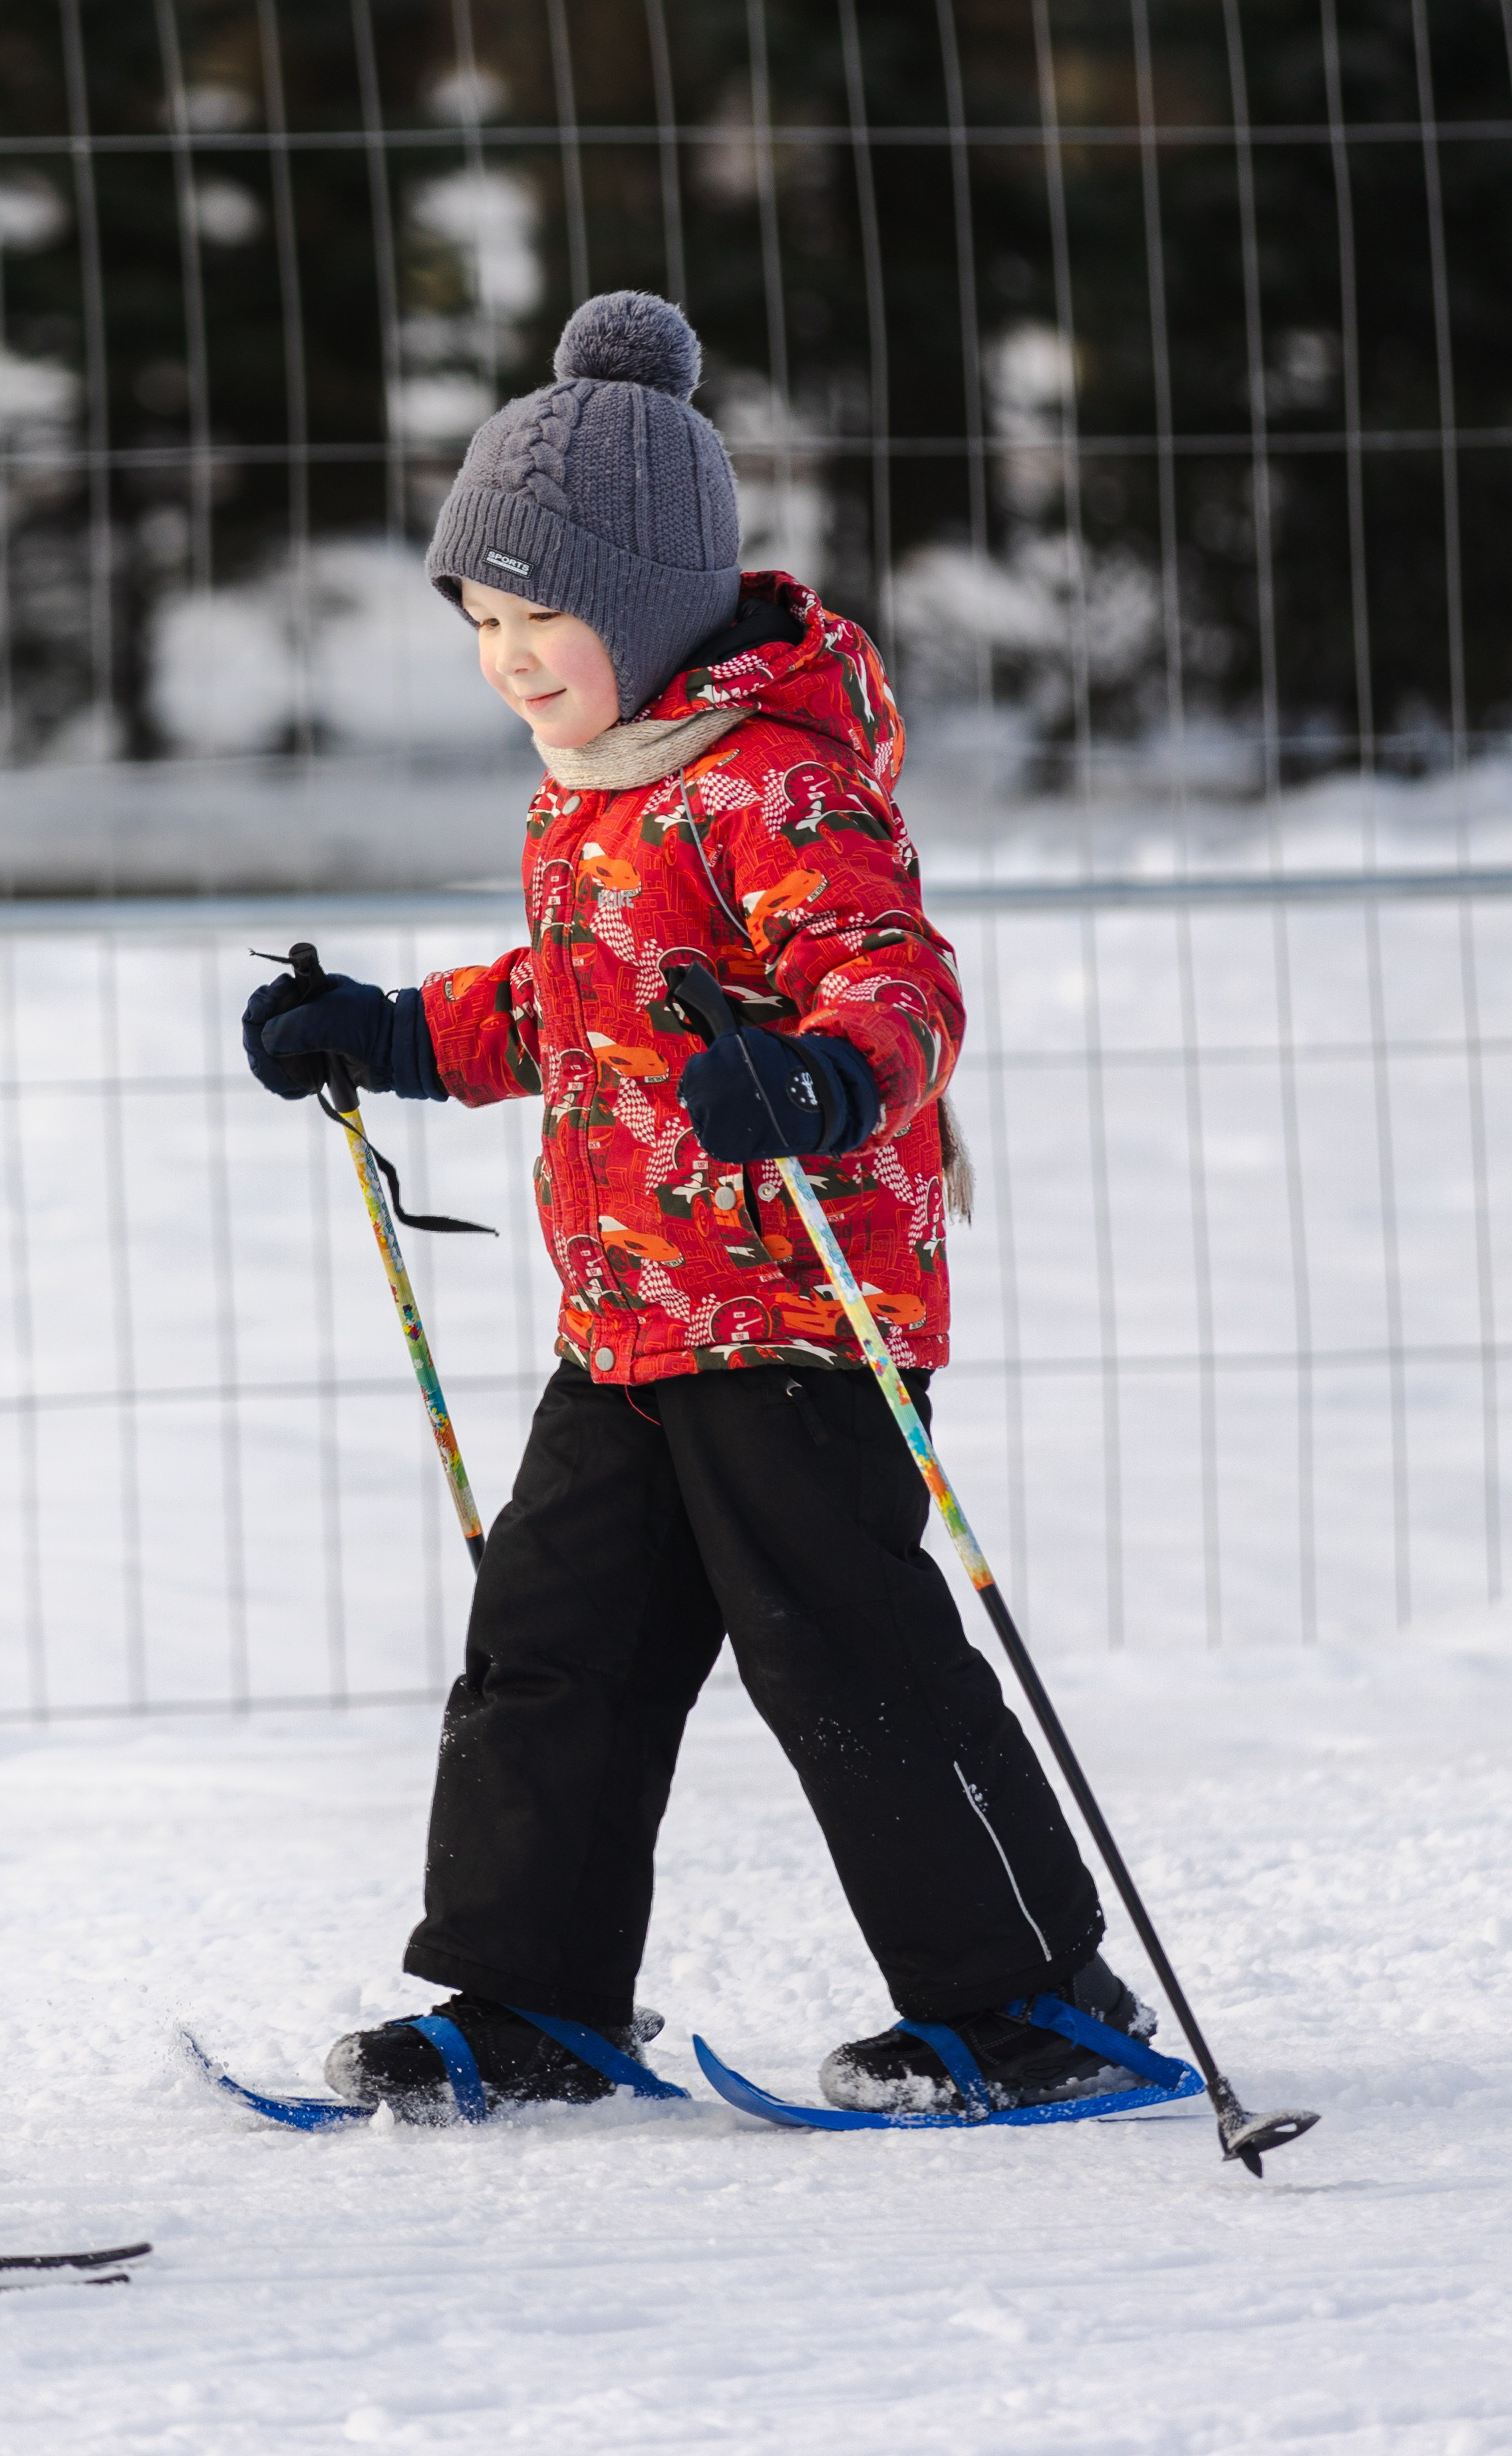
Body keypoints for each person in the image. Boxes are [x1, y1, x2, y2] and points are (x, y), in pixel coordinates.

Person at [241, 291, 1151, 2123]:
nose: (507, 658)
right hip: (634, 1319)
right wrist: (389, 1035)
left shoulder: (778, 784)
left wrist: (818, 1077)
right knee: (548, 1646)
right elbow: (561, 1006)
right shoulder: (593, 798)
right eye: (480, 621)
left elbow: (902, 985)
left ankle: (1036, 1995)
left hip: (798, 1315)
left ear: (649, 595)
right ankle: (531, 1996)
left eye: (537, 614)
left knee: (852, 1656)